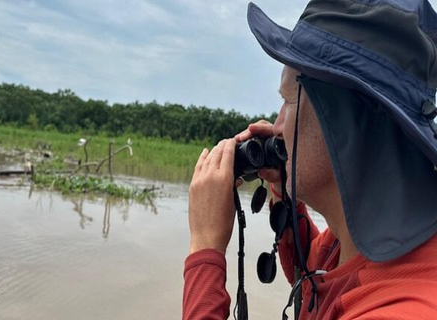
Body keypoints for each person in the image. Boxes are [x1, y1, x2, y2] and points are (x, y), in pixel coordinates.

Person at [183, 0, 437, 319]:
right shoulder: (363, 236)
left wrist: (205, 249)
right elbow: (314, 279)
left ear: (343, 122)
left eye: (288, 101)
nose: (275, 127)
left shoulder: (406, 309)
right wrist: (282, 191)